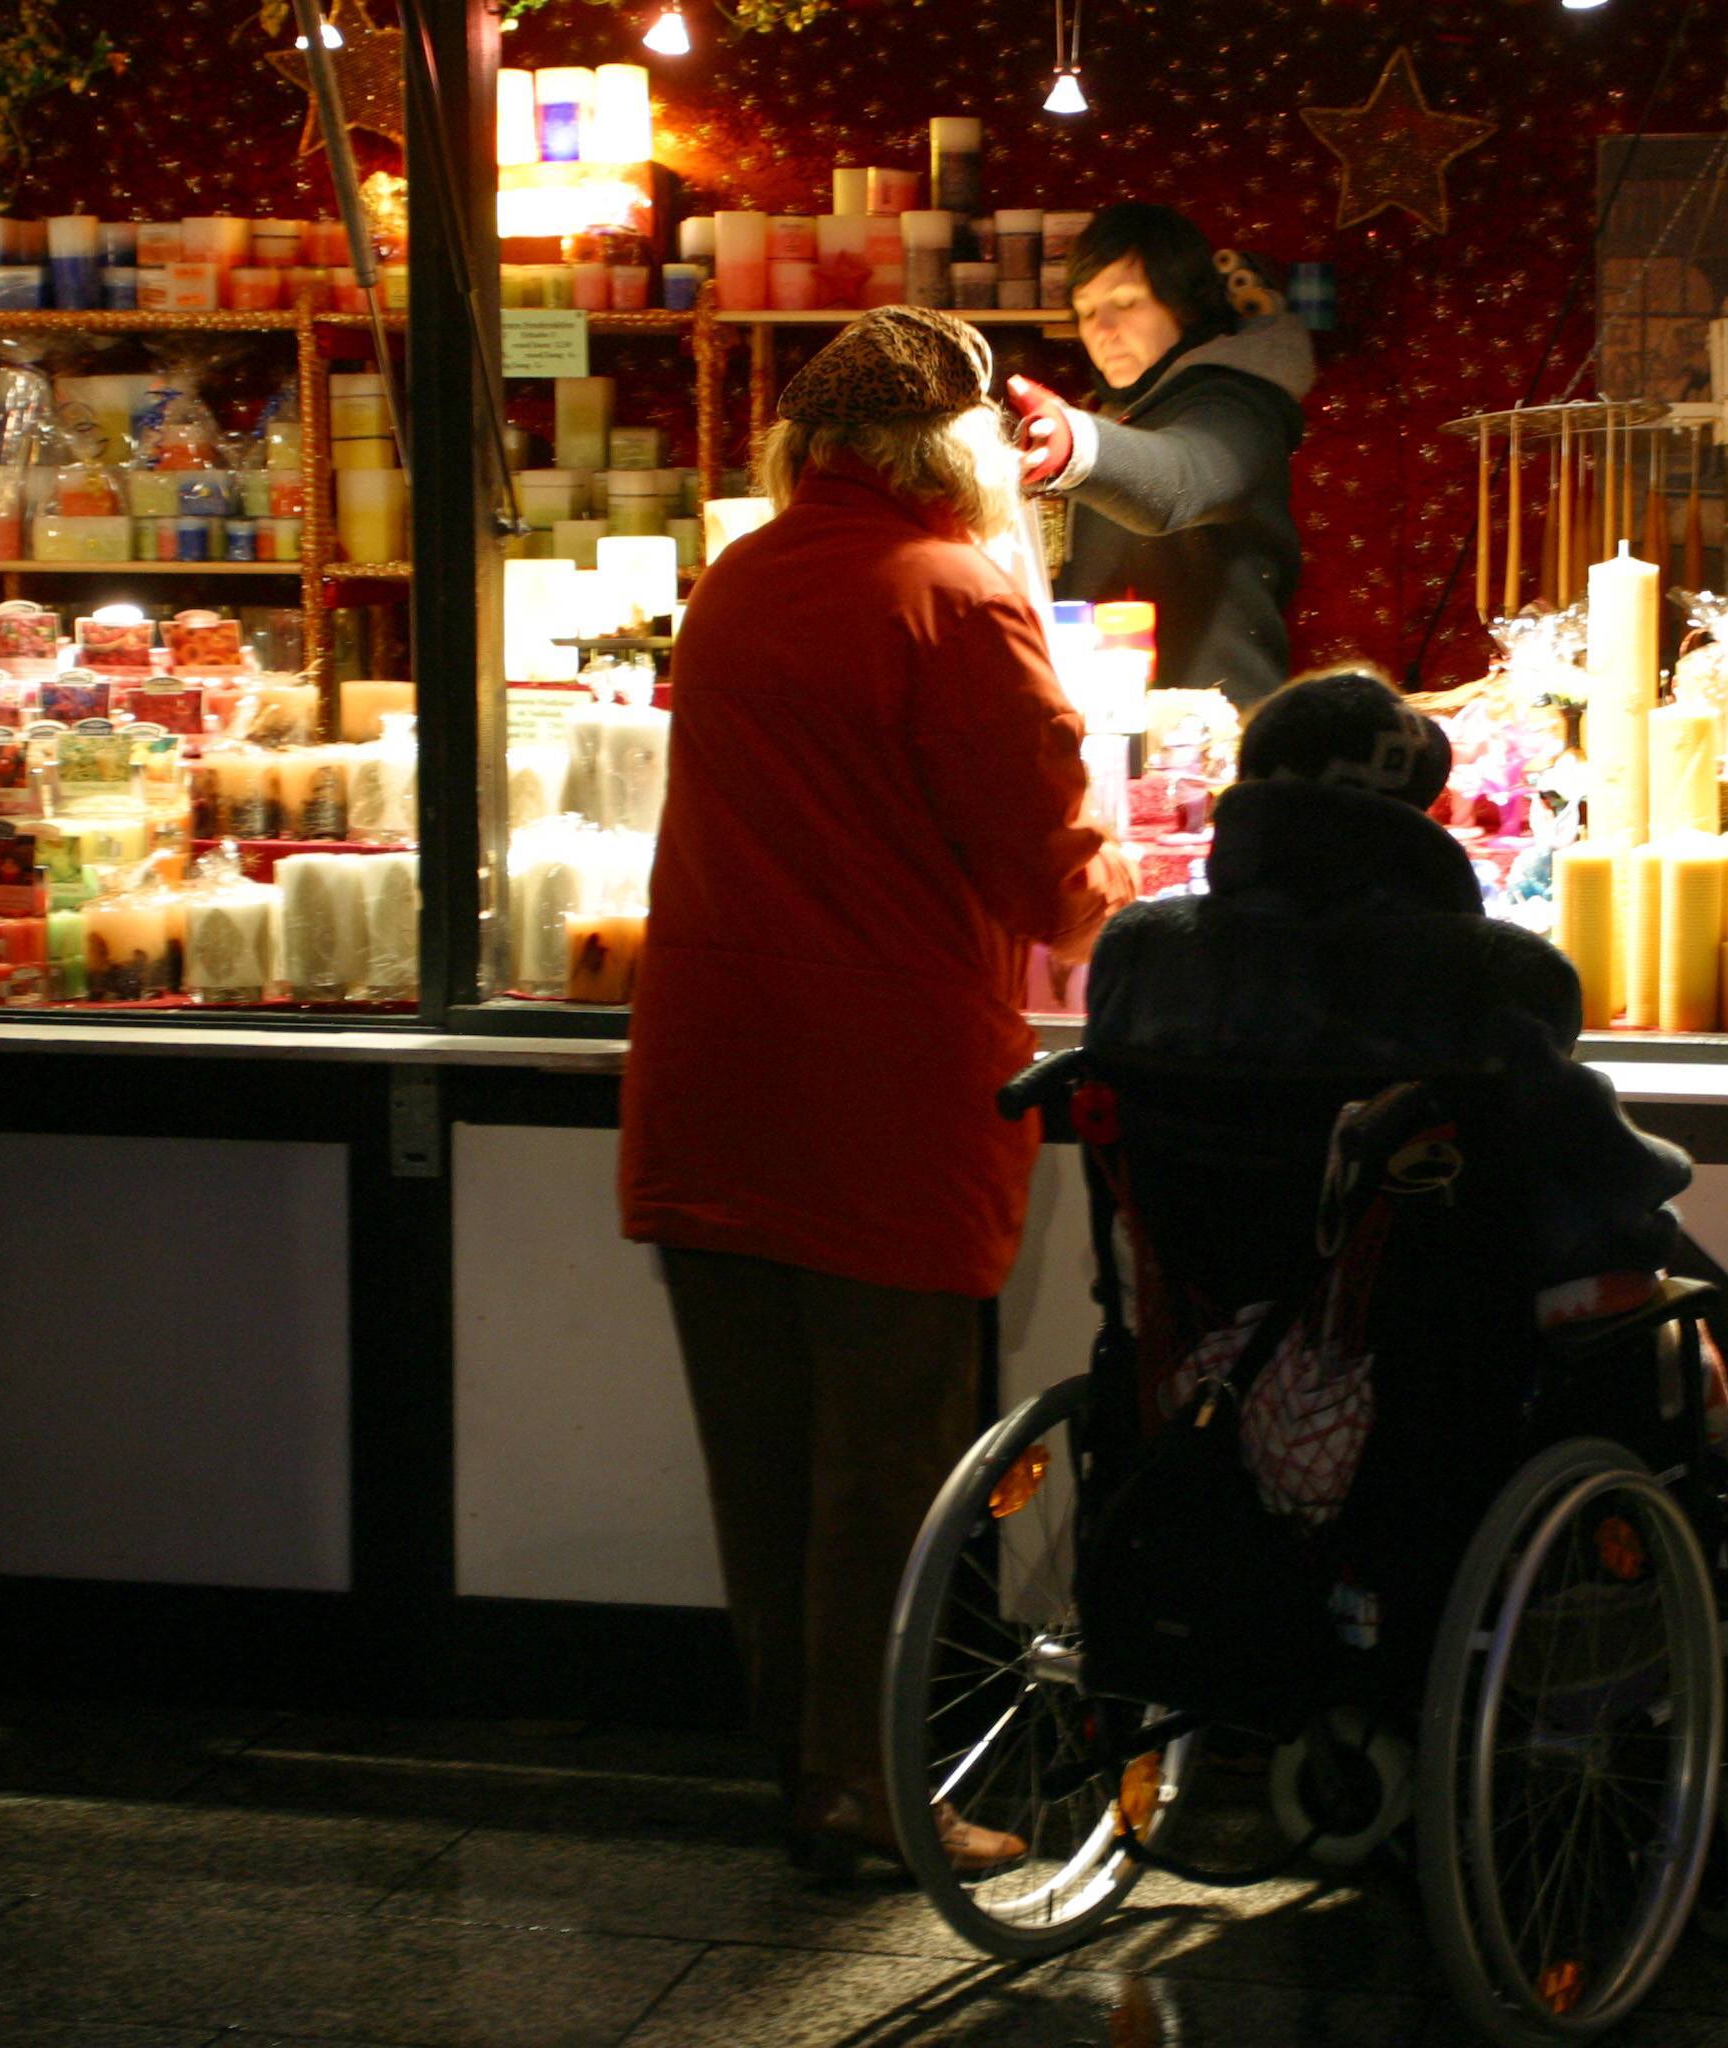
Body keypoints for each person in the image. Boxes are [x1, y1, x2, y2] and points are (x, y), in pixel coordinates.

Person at [618, 307, 1132, 1871]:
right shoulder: (958, 595)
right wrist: (1150, 907)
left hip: (712, 1076)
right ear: (961, 448)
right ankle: (864, 1789)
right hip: (881, 1092)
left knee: (765, 1467)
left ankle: (804, 1766)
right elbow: (1056, 874)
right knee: (890, 1466)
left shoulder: (737, 579)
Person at [1084, 667, 1692, 1294]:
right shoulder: (1501, 972)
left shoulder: (1137, 950)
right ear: (1413, 811)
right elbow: (1607, 1174)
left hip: (1194, 1327)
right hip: (1435, 1335)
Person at [1007, 203, 1313, 709]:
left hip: (1218, 732)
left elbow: (1179, 480)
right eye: (1086, 311)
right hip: (1114, 726)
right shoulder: (1114, 415)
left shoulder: (1239, 404)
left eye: (1126, 302)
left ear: (1184, 305)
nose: (1102, 329)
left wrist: (1076, 445)